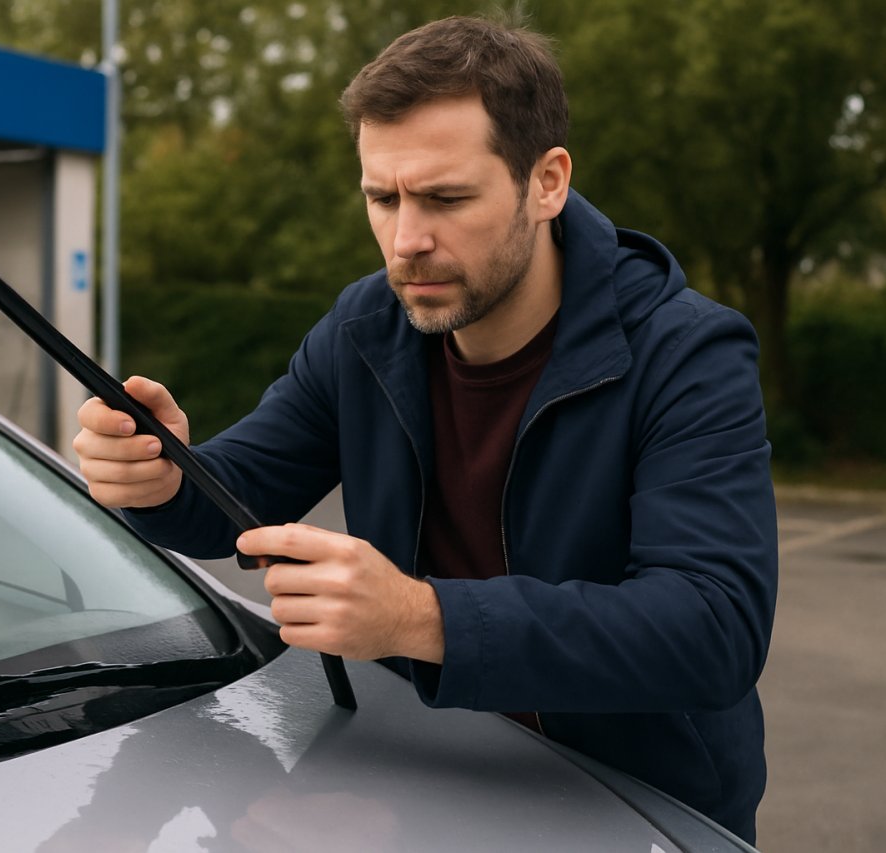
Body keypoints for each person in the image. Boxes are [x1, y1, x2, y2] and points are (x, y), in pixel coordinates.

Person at [74, 15, 778, 844]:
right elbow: (238, 502)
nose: (407, 240)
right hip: (419, 782)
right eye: (383, 197)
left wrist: (420, 617)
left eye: (446, 197)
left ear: (546, 182)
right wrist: (162, 477)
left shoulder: (685, 348)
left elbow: (713, 627)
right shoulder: (365, 328)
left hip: (635, 806)